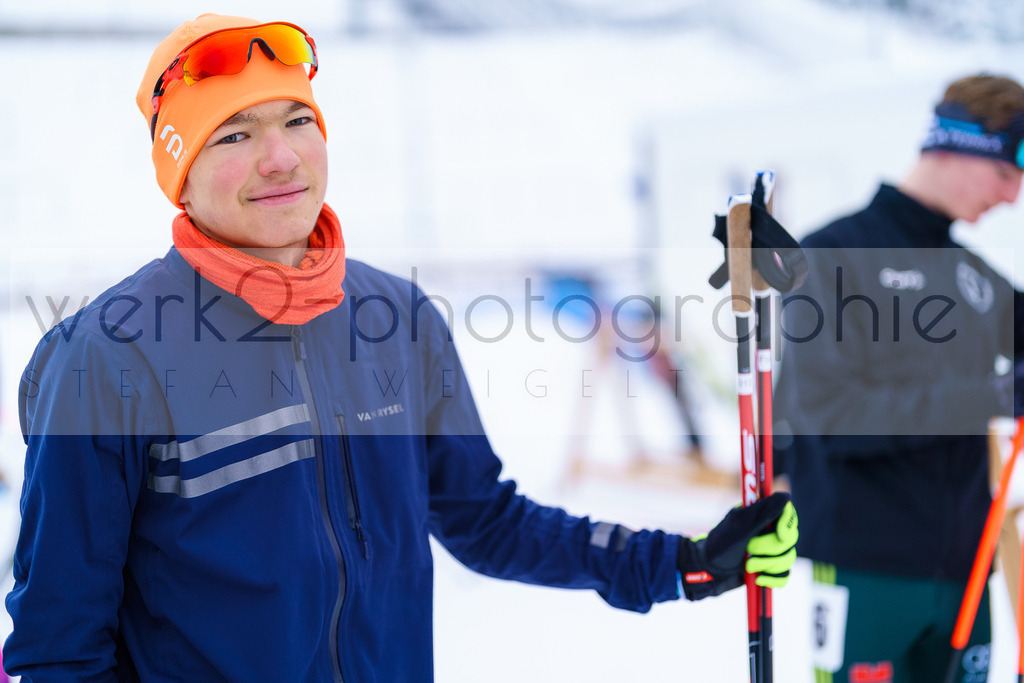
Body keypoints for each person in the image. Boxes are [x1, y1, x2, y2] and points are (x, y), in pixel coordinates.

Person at [4, 14, 797, 681]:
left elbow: (486, 519)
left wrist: (680, 560)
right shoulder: (109, 356)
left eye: (297, 120)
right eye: (234, 134)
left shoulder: (397, 317)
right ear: (179, 171)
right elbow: (56, 646)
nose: (279, 158)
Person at [774, 73, 1024, 683]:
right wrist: (992, 398)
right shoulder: (832, 255)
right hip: (868, 568)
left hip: (966, 569)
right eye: (1007, 174)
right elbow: (828, 415)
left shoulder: (974, 276)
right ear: (957, 145)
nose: (1014, 196)